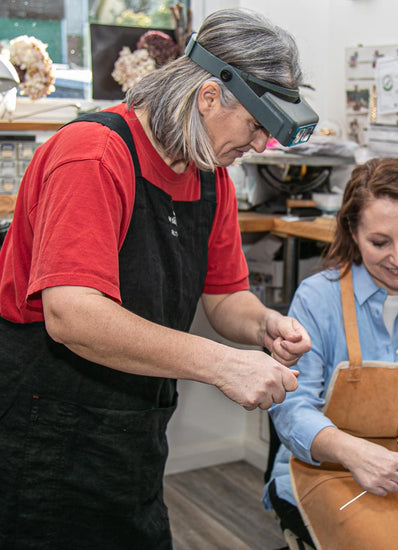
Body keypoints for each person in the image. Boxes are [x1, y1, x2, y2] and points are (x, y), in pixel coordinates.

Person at [0, 8, 315, 550]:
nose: (262, 146)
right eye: (256, 126)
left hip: (135, 435)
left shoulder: (208, 176)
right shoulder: (93, 155)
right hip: (42, 428)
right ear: (209, 98)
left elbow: (224, 296)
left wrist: (263, 325)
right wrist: (221, 364)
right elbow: (72, 314)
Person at [264, 157, 398, 550]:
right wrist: (354, 453)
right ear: (353, 232)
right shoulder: (319, 299)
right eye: (380, 242)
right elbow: (291, 411)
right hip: (329, 469)